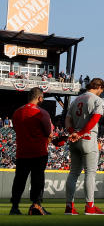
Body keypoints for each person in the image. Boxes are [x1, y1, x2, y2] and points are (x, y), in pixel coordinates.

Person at [64, 78, 104, 215]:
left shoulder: (76, 99)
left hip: (74, 139)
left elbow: (67, 119)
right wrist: (81, 133)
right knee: (90, 173)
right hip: (88, 138)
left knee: (73, 173)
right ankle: (90, 207)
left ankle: (69, 207)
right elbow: (95, 119)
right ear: (99, 86)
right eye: (102, 90)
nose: (101, 92)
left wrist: (73, 133)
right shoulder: (97, 100)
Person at [10, 87, 53, 215]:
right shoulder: (42, 113)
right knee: (38, 179)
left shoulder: (17, 112)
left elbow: (16, 129)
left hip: (22, 151)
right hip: (38, 152)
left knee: (19, 180)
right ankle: (36, 205)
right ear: (40, 98)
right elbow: (48, 132)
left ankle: (15, 207)